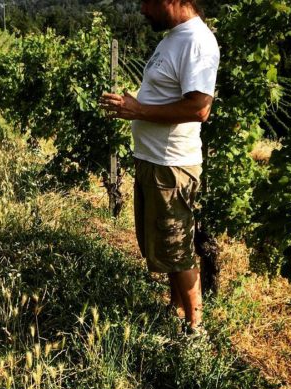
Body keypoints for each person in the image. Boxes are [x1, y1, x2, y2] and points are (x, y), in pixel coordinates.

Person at [99, 0, 220, 333]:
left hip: (173, 166)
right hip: (154, 161)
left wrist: (138, 110)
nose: (141, 9)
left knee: (177, 246)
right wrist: (133, 106)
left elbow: (199, 109)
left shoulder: (197, 41)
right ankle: (175, 308)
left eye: (146, 1)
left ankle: (195, 328)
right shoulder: (173, 37)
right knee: (164, 246)